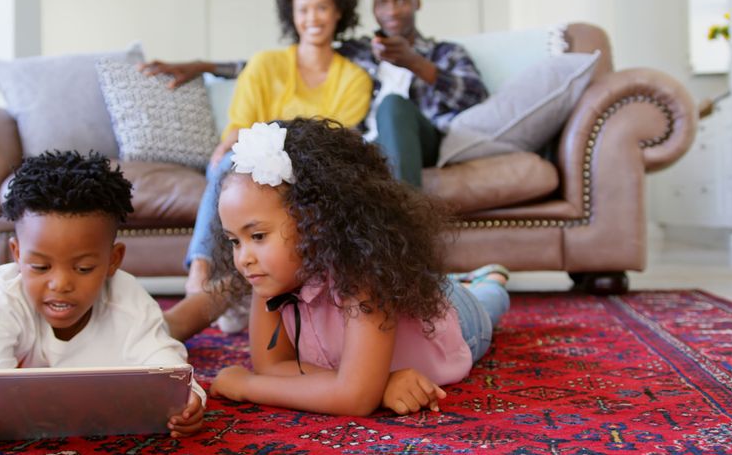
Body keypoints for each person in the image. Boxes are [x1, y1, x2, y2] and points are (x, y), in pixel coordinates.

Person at [206, 119, 509, 415]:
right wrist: (380, 385)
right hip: (407, 312)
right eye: (234, 241)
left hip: (458, 325)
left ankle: (489, 281)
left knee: (488, 302)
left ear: (315, 222)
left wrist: (247, 386)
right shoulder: (267, 276)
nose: (243, 257)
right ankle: (461, 282)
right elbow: (272, 367)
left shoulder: (362, 277)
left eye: (257, 236)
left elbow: (353, 398)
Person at [160, 0, 373, 341]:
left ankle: (245, 292)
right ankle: (201, 273)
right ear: (291, 15)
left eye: (321, 7)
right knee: (226, 161)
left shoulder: (354, 78)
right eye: (303, 9)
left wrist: (274, 134)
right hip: (256, 160)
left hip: (312, 167)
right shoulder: (264, 64)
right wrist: (238, 142)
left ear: (339, 12)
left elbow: (329, 139)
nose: (313, 18)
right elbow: (241, 125)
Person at [0, 151, 205, 450]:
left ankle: (219, 295)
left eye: (82, 269)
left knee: (171, 326)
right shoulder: (5, 294)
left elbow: (169, 372)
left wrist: (190, 402)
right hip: (3, 327)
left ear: (113, 260)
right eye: (40, 267)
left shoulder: (127, 298)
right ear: (17, 254)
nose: (61, 284)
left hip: (134, 321)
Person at [141, 0, 489, 189]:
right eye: (383, 3)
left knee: (394, 106)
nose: (392, 10)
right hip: (375, 147)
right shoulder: (360, 52)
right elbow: (277, 63)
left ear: (417, 2)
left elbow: (474, 96)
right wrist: (204, 66)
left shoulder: (446, 52)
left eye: (401, 0)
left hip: (421, 142)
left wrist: (416, 63)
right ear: (374, 9)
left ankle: (409, 222)